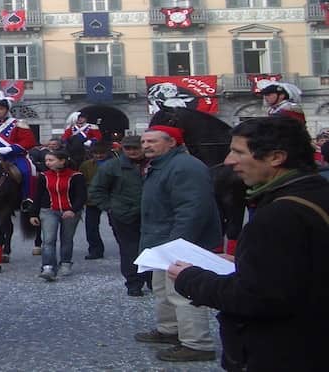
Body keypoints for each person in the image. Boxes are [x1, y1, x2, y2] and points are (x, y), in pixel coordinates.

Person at [169, 117, 329, 371]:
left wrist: (190, 278)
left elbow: (257, 297)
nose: (229, 161)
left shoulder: (279, 214)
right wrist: (247, 261)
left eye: (238, 152)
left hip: (288, 349)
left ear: (276, 157)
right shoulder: (315, 192)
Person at [133, 125, 221, 363]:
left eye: (152, 141)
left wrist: (179, 243)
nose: (146, 146)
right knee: (163, 290)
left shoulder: (185, 166)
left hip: (178, 242)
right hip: (162, 241)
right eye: (144, 142)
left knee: (183, 292)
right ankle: (170, 330)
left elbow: (193, 208)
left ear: (172, 142)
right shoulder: (163, 164)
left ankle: (197, 343)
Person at [89, 135, 152, 296]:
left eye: (135, 148)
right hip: (123, 215)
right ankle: (134, 283)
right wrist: (110, 208)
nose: (132, 151)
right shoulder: (112, 166)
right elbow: (96, 190)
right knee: (129, 250)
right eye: (128, 148)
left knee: (152, 248)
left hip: (152, 214)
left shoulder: (154, 163)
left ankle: (152, 279)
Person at [27, 150, 86, 281]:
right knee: (48, 240)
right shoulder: (44, 176)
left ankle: (65, 263)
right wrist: (33, 214)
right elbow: (37, 195)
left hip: (70, 211)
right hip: (49, 210)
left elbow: (81, 196)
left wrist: (73, 210)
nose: (47, 163)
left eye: (51, 160)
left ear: (62, 161)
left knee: (67, 239)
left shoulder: (76, 176)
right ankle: (48, 267)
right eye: (46, 160)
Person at [77, 141, 114, 260]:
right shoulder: (86, 165)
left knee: (116, 225)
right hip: (92, 199)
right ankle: (95, 249)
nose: (99, 156)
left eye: (101, 153)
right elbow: (81, 182)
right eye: (96, 153)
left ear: (107, 153)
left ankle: (126, 246)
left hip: (111, 198)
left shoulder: (115, 164)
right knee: (91, 227)